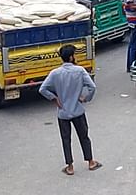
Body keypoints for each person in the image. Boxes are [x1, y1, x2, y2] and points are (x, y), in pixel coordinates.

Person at [38, 44, 101, 176]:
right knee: (84, 136)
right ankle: (90, 162)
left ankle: (70, 166)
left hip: (63, 112)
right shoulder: (80, 71)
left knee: (66, 139)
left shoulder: (55, 73)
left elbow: (42, 89)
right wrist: (85, 98)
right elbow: (92, 87)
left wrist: (54, 98)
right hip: (78, 110)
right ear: (71, 57)